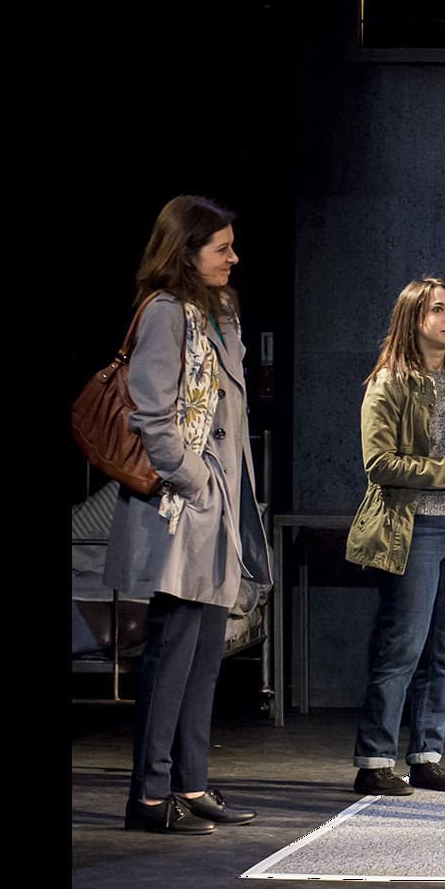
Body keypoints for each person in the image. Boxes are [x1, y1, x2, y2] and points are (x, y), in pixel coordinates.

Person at [107, 195, 272, 835]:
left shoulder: (217, 313)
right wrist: (196, 479)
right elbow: (151, 413)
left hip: (216, 506)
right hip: (181, 508)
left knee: (205, 655)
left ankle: (192, 782)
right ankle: (149, 796)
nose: (234, 258)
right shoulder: (165, 313)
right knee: (172, 654)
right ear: (186, 251)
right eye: (221, 248)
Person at [345, 278, 445, 795]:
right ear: (413, 319)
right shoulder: (388, 382)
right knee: (402, 648)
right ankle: (374, 762)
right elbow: (379, 463)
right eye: (438, 309)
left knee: (444, 651)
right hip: (412, 527)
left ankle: (426, 756)